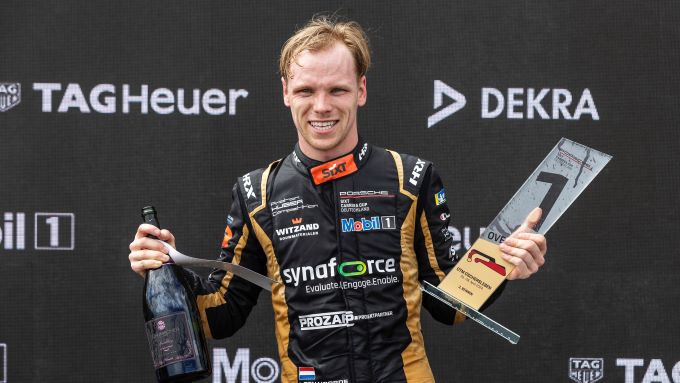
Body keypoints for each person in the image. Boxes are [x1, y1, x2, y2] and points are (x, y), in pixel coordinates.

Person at [129, 16, 547, 383]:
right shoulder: (256, 193)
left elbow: (449, 304)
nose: (322, 106)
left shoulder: (409, 177)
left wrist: (502, 263)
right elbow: (222, 314)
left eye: (338, 90)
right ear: (286, 93)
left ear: (361, 90)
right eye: (307, 90)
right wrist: (166, 269)